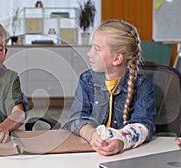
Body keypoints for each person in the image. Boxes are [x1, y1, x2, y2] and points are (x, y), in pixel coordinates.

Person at [63, 19, 157, 156]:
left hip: (127, 156)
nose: (89, 54)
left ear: (117, 59)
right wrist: (92, 135)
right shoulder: (87, 80)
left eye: (97, 49)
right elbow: (75, 119)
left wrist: (122, 140)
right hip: (91, 153)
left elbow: (145, 125)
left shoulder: (143, 85)